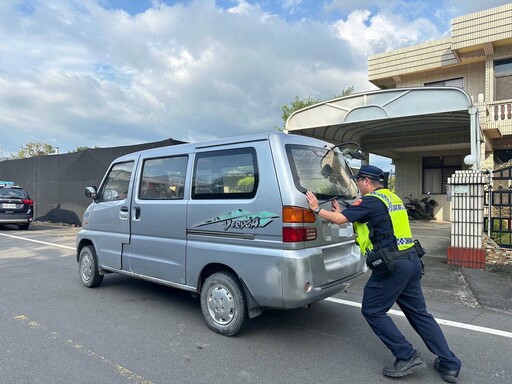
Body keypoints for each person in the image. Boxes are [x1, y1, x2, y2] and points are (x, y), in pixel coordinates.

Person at [306, 164, 461, 383]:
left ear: (366, 181)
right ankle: (450, 364)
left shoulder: (369, 200)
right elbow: (372, 221)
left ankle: (406, 355)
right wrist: (344, 213)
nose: (358, 186)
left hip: (393, 267)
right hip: (411, 261)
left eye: (359, 181)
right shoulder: (392, 198)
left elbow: (342, 220)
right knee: (419, 314)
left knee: (372, 310)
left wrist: (316, 209)